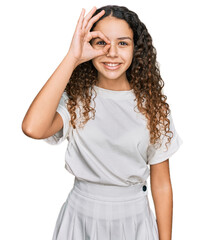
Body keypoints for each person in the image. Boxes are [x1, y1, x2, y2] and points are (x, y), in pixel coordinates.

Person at [22, 5, 183, 240]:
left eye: (122, 43)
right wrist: (72, 57)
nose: (112, 53)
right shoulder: (76, 99)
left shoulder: (153, 108)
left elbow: (161, 183)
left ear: (136, 49)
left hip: (134, 220)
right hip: (80, 216)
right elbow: (32, 128)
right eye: (101, 42)